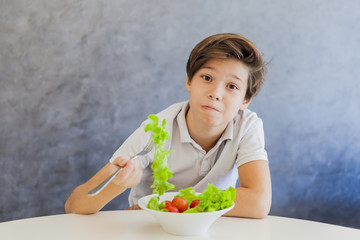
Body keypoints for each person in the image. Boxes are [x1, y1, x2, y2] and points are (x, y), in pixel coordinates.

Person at [65, 33, 272, 218]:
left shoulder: (247, 126)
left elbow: (258, 202)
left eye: (232, 86)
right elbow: (74, 206)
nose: (216, 93)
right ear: (189, 81)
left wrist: (169, 204)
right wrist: (118, 183)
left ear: (245, 101)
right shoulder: (157, 129)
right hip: (153, 228)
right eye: (207, 78)